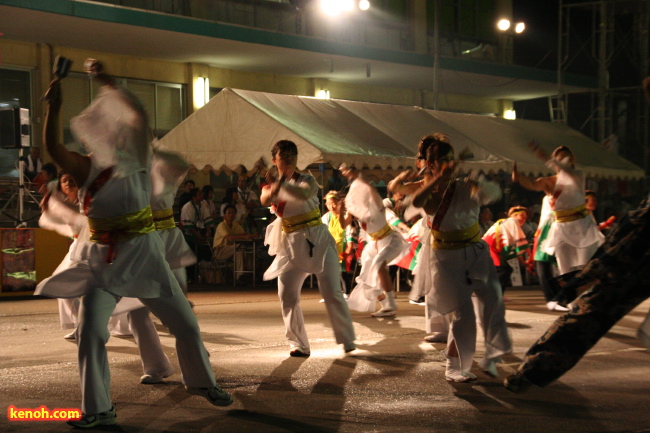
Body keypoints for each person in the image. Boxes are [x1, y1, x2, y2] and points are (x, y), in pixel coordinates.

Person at [37, 60, 232, 427]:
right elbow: (51, 146)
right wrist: (53, 106)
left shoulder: (137, 157)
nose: (117, 131)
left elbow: (138, 112)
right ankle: (98, 409)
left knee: (186, 326)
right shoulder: (83, 167)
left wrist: (105, 79)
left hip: (145, 256)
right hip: (102, 262)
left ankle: (203, 384)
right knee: (91, 334)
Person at [411, 135, 511, 382]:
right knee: (463, 313)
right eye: (438, 161)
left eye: (448, 159)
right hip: (447, 257)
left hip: (476, 250)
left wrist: (477, 183)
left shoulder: (466, 184)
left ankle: (492, 355)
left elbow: (491, 194)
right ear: (430, 164)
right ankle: (454, 366)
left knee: (493, 301)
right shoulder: (428, 188)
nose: (444, 164)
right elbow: (420, 203)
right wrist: (440, 178)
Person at [261, 140, 356, 357]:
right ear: (275, 160)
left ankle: (347, 337)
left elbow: (303, 194)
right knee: (286, 295)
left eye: (292, 157)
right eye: (283, 157)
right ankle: (299, 343)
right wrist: (277, 185)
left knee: (332, 290)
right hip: (290, 244)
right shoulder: (272, 186)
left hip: (318, 239)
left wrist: (281, 184)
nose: (288, 161)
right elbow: (265, 199)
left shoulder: (307, 179)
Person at [513, 144, 605, 277]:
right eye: (559, 158)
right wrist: (518, 177)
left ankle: (587, 292)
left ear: (572, 160)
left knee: (585, 267)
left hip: (582, 227)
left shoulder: (577, 176)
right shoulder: (549, 181)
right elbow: (533, 185)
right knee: (565, 268)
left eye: (565, 157)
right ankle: (567, 295)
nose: (562, 161)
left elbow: (566, 171)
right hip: (560, 226)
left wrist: (546, 159)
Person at [342, 164, 407, 318]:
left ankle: (391, 303)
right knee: (366, 279)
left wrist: (358, 178)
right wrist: (340, 211)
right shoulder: (354, 211)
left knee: (378, 264)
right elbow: (343, 224)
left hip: (390, 239)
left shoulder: (378, 204)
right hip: (373, 244)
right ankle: (386, 306)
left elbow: (371, 191)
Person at [481, 206, 531, 293]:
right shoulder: (512, 221)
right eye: (522, 215)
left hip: (491, 249)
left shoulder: (508, 223)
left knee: (504, 270)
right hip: (490, 248)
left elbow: (517, 247)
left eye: (525, 217)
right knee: (503, 270)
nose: (524, 218)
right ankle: (496, 294)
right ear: (514, 215)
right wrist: (531, 257)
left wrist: (524, 262)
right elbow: (522, 243)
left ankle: (497, 293)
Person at [213, 204, 254, 278]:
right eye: (229, 212)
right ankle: (246, 271)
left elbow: (243, 234)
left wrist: (251, 235)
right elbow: (230, 238)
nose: (231, 214)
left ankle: (241, 276)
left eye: (233, 213)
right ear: (224, 215)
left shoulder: (235, 224)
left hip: (232, 250)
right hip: (220, 251)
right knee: (239, 247)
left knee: (240, 252)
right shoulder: (221, 225)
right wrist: (244, 237)